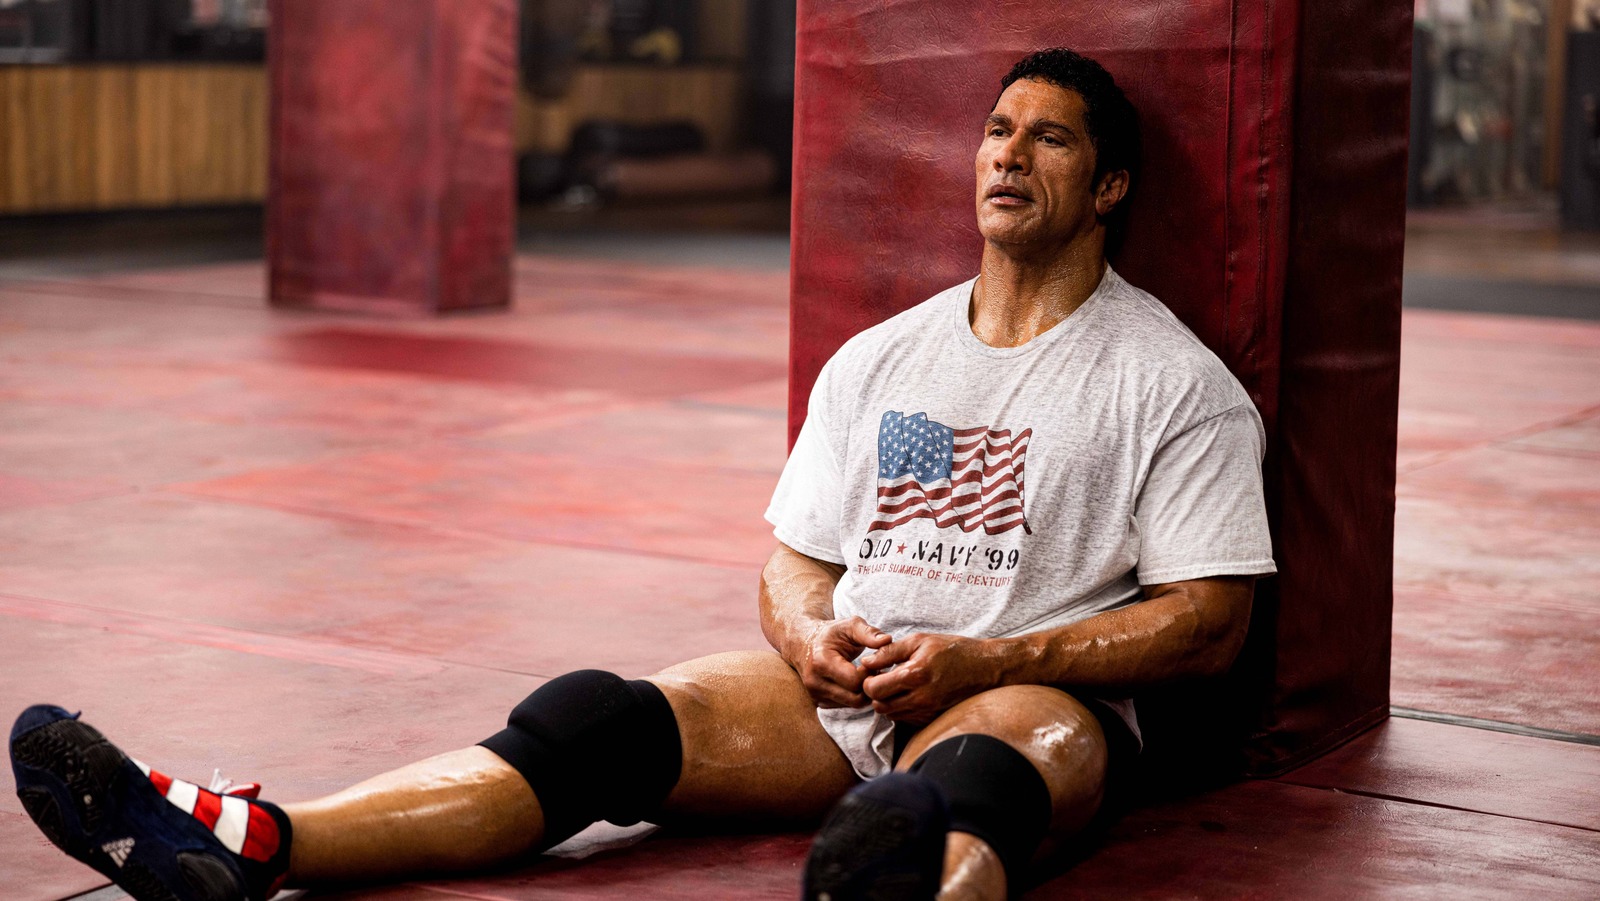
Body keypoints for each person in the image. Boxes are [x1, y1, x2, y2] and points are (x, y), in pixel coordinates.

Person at [10, 47, 1274, 901]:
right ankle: (255, 843)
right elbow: (796, 560)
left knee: (971, 786)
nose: (1007, 156)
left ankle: (900, 882)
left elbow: (1211, 621)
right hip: (848, 696)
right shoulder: (883, 358)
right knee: (591, 720)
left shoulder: (1168, 379)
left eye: (1048, 141)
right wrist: (810, 634)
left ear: (1107, 186)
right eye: (997, 131)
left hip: (1022, 699)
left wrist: (990, 659)